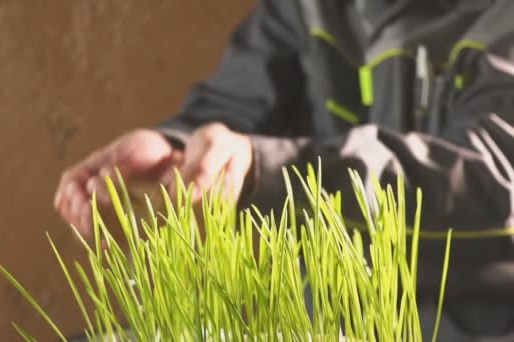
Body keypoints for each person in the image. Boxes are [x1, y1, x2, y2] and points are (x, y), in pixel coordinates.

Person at [54, 0, 514, 339]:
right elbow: (239, 105)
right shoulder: (307, 9)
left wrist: (263, 169)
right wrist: (171, 147)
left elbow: (492, 185)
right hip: (328, 320)